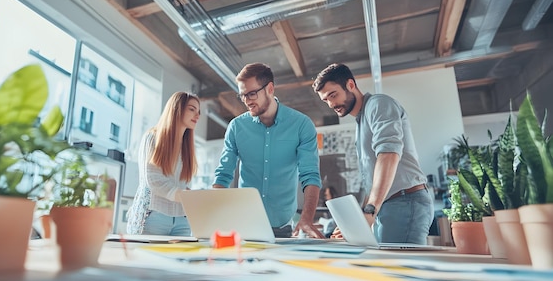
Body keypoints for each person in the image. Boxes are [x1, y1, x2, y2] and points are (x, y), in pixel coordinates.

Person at [312, 63, 433, 244]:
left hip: (405, 202)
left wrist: (369, 212)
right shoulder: (361, 122)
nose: (331, 104)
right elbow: (373, 178)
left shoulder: (378, 104)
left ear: (350, 85)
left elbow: (388, 155)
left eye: (333, 95)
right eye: (326, 100)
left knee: (396, 269)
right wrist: (359, 217)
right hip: (388, 205)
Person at [213, 63, 324, 239]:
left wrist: (307, 218)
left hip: (282, 226)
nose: (247, 101)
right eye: (242, 95)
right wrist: (214, 215)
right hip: (245, 224)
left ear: (270, 88)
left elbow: (310, 175)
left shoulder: (301, 125)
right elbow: (224, 174)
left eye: (251, 93)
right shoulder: (236, 127)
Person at [126, 92, 200, 236]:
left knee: (179, 259)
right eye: (192, 109)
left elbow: (184, 185)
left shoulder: (187, 147)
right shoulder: (152, 137)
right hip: (154, 216)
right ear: (176, 109)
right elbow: (153, 179)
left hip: (182, 220)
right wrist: (183, 195)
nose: (197, 115)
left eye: (198, 111)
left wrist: (190, 196)